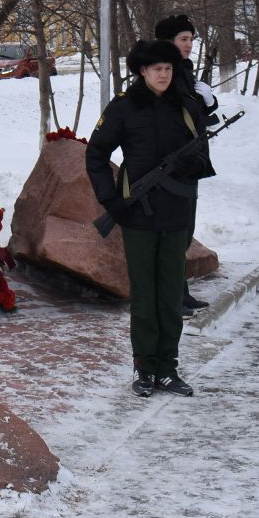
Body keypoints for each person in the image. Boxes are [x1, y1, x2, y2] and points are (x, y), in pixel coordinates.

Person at [86, 38, 214, 398]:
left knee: (171, 294)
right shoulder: (124, 108)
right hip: (137, 215)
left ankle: (168, 368)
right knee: (145, 296)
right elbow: (96, 154)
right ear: (142, 71)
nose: (163, 75)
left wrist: (194, 163)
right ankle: (144, 368)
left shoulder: (186, 106)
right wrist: (111, 201)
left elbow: (203, 153)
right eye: (157, 69)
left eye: (168, 69)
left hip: (177, 212)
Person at [152, 14, 215, 314]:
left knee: (185, 231)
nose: (190, 45)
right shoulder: (163, 75)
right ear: (168, 42)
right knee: (173, 233)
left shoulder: (184, 72)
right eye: (183, 39)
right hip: (170, 167)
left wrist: (208, 103)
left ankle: (182, 291)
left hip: (189, 163)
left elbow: (194, 120)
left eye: (191, 39)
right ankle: (170, 297)